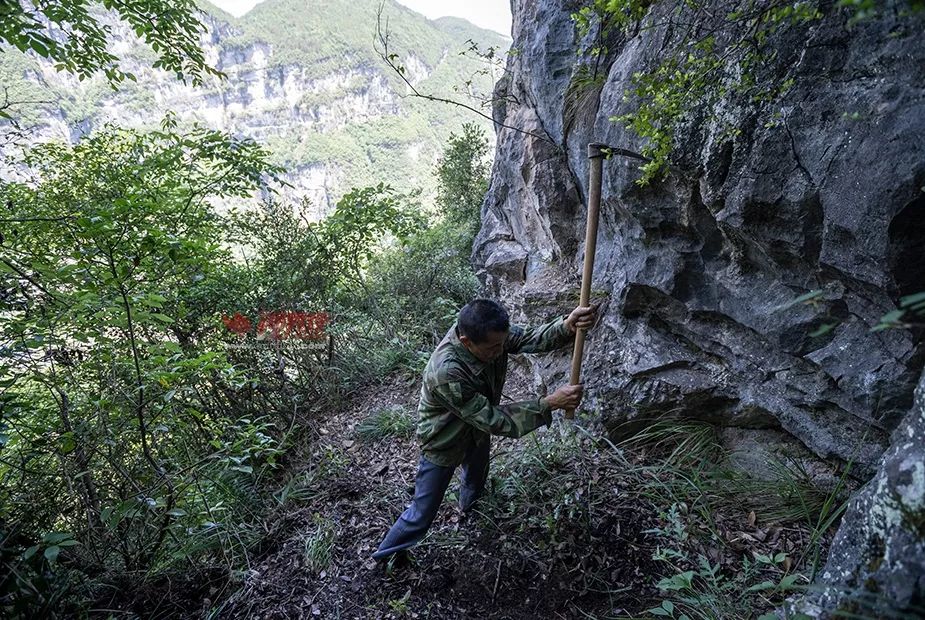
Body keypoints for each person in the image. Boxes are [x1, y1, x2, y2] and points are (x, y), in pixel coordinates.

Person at [372, 298, 596, 567]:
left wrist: (565, 326)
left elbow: (527, 338)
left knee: (475, 478)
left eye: (502, 343)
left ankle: (471, 511)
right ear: (467, 342)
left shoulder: (490, 334)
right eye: (493, 348)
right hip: (444, 440)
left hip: (476, 431)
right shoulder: (446, 372)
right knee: (422, 512)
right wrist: (548, 404)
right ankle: (384, 558)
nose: (501, 351)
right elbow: (492, 419)